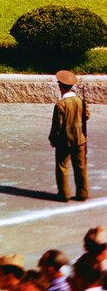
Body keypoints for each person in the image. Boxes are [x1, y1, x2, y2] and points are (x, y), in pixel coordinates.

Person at [49, 69, 88, 202]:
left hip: (64, 140)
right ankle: (82, 193)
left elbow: (57, 126)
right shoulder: (80, 100)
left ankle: (64, 194)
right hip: (79, 138)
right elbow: (86, 116)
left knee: (62, 167)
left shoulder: (60, 105)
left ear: (61, 87)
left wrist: (53, 139)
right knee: (80, 166)